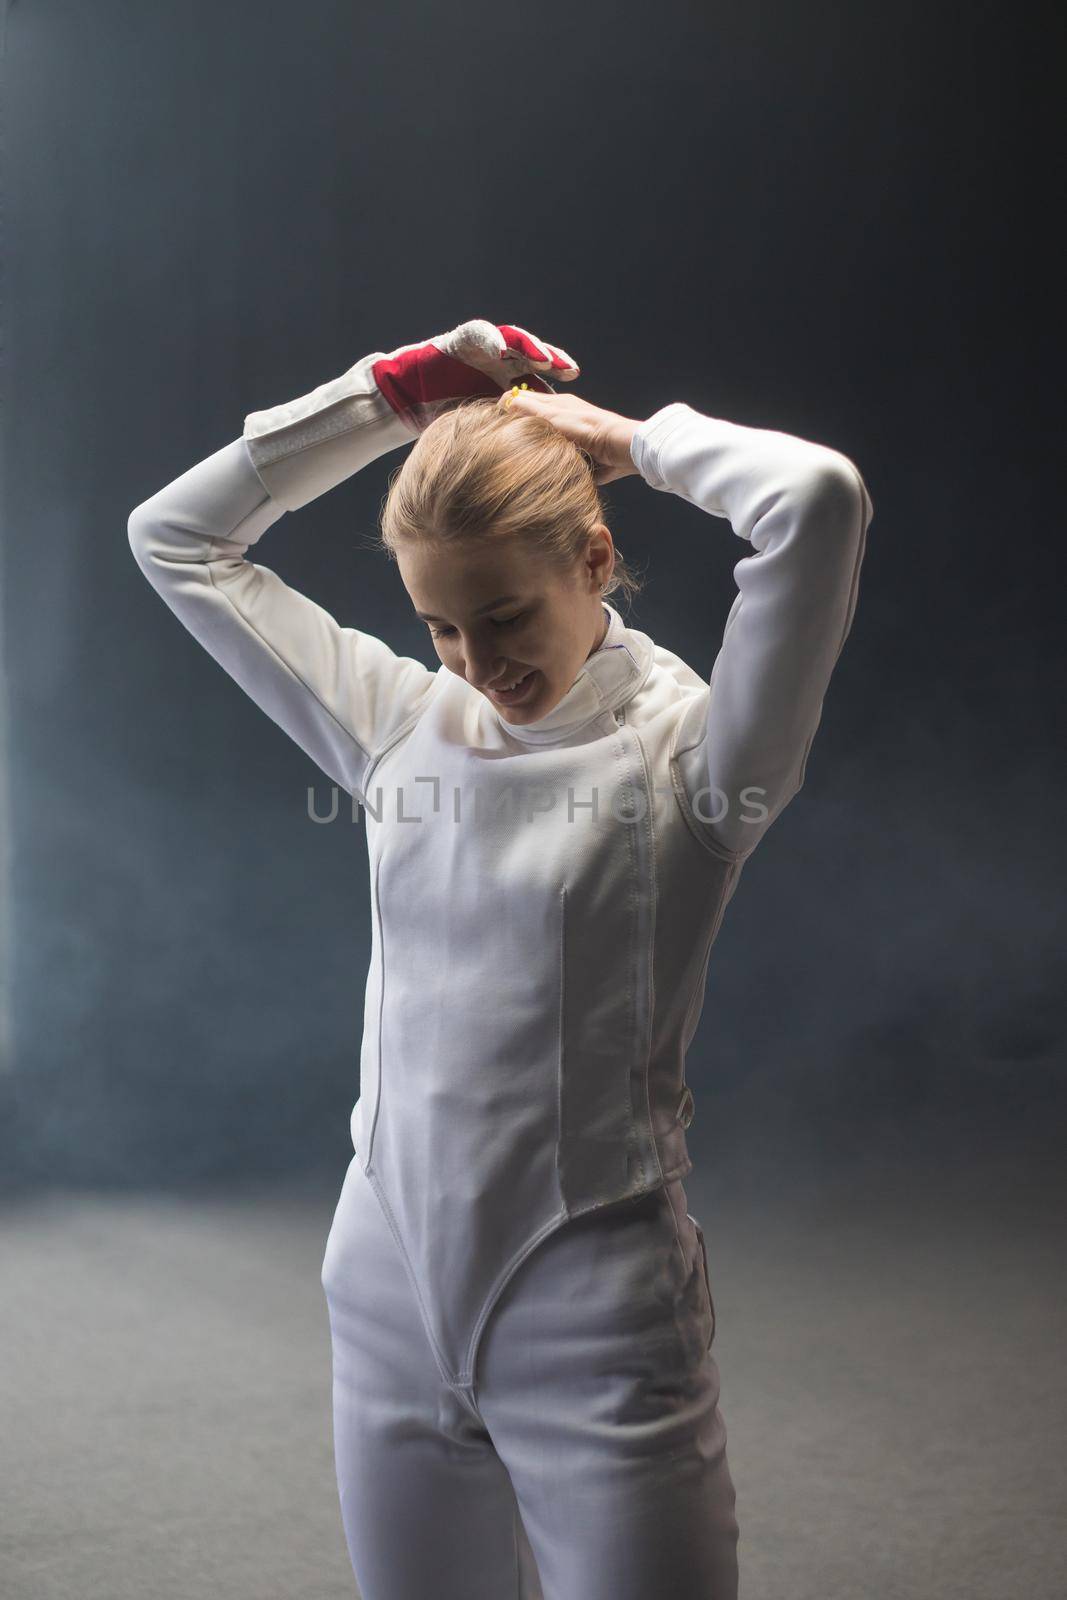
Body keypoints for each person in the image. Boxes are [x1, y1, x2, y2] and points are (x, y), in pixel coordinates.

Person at [127, 317, 873, 1600]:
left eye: (503, 614)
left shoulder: (697, 762)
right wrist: (384, 398)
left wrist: (634, 442)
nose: (477, 664)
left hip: (591, 1303)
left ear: (593, 558)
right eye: (439, 626)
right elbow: (175, 539)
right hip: (383, 1279)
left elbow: (814, 498)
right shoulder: (400, 724)